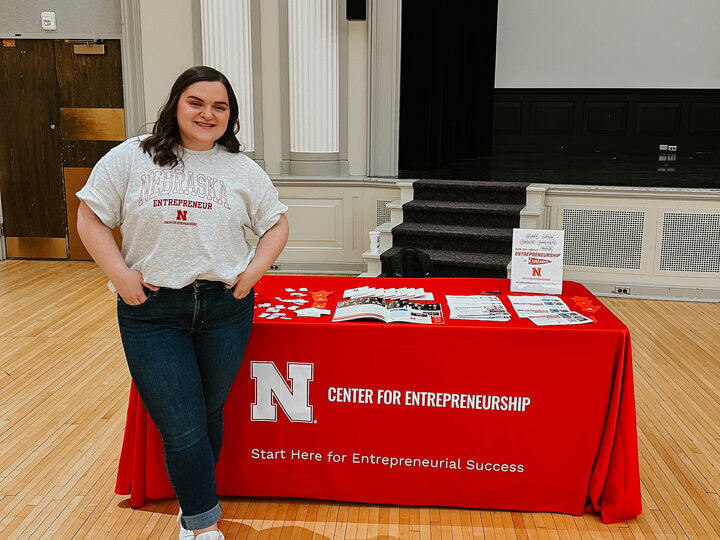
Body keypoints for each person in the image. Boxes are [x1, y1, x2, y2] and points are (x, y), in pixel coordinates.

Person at [76, 66, 288, 540]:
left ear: (230, 117)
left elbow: (276, 224)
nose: (207, 114)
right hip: (151, 311)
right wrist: (119, 275)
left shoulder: (240, 168)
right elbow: (89, 217)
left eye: (220, 106)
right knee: (181, 423)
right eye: (196, 102)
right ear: (176, 103)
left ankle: (194, 502)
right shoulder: (132, 157)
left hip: (223, 309)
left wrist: (252, 274)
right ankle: (202, 521)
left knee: (207, 415)